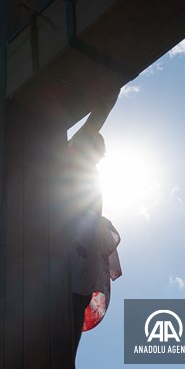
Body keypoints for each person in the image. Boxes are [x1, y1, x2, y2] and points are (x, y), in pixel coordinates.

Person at [68, 92, 123, 352]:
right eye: (99, 150)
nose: (100, 156)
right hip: (71, 232)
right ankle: (62, 358)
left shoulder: (91, 170)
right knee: (72, 296)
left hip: (86, 236)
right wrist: (113, 90)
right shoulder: (74, 153)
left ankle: (67, 360)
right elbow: (98, 116)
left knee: (81, 297)